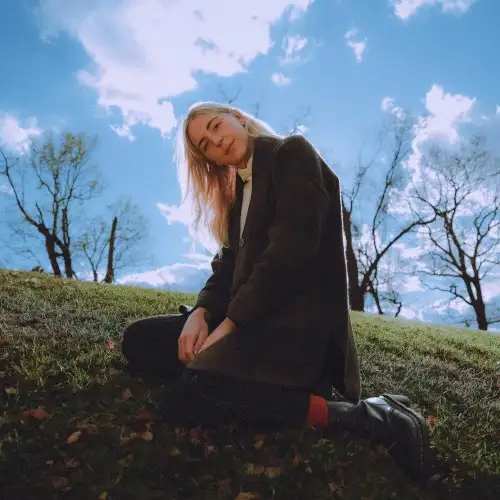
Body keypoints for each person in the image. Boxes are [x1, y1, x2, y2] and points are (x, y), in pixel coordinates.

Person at [121, 102, 431, 482]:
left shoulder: (292, 154)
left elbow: (290, 255)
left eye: (217, 126)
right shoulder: (239, 193)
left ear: (238, 118)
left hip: (291, 331)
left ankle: (366, 414)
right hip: (247, 323)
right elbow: (225, 268)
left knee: (191, 396)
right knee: (141, 340)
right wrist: (201, 313)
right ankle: (227, 375)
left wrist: (228, 326)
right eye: (205, 144)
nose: (217, 141)